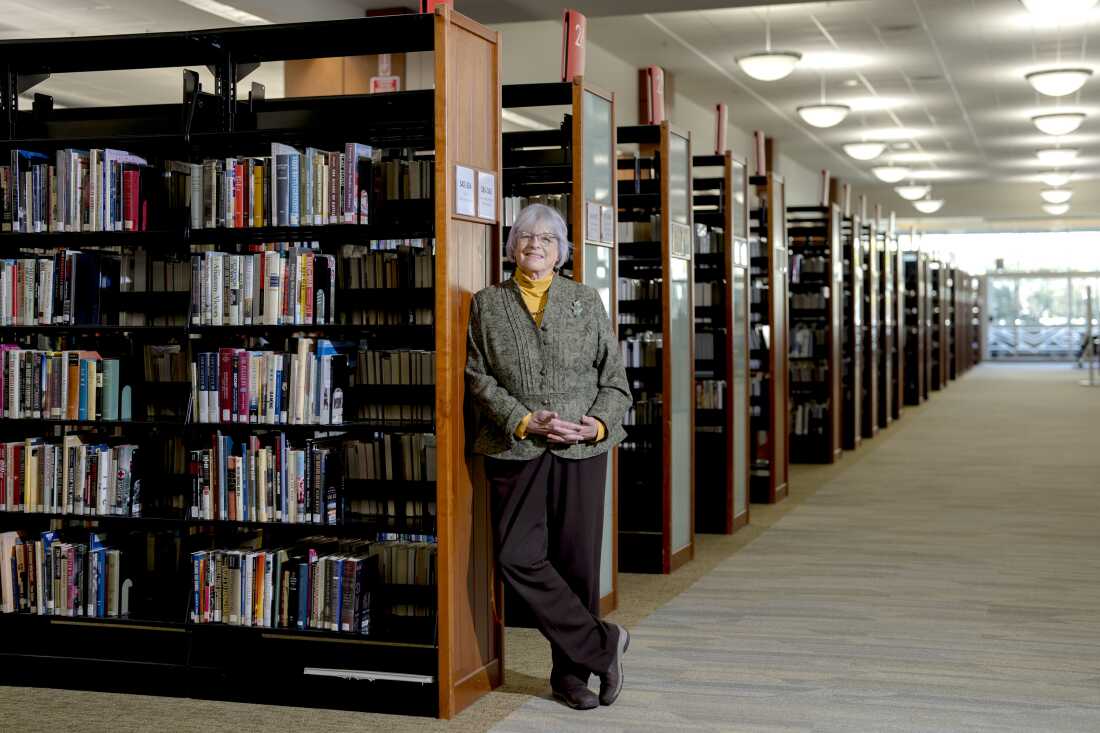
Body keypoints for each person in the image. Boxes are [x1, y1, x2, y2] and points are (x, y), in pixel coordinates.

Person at [465, 203, 633, 710]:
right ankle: (604, 644)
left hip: (582, 449)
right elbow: (478, 378)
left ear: (562, 252)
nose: (534, 245)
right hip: (516, 448)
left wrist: (598, 422)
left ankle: (571, 677)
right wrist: (522, 418)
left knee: (577, 563)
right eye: (525, 237)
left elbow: (615, 380)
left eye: (547, 238)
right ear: (511, 245)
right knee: (516, 557)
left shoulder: (586, 300)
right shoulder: (487, 303)